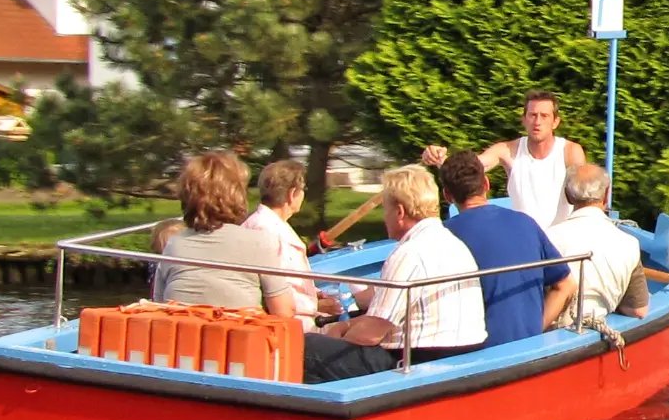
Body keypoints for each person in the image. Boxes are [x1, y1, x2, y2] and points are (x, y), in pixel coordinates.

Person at [302, 165, 486, 382]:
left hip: (415, 360)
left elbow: (371, 334)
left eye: (385, 210)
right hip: (460, 352)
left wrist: (339, 337)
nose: (384, 218)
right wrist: (346, 326)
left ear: (399, 212)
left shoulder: (409, 253)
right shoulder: (454, 244)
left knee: (306, 347)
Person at [437, 151, 577, 346]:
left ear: (447, 195)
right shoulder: (525, 223)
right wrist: (535, 329)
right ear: (486, 183)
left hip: (477, 354)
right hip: (531, 349)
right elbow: (566, 284)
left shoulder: (441, 236)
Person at [151, 152, 296, 317]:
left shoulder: (174, 244)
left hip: (185, 337)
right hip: (240, 338)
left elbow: (160, 306)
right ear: (237, 194)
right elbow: (284, 311)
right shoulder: (259, 241)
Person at [421, 90, 586, 230]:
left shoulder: (570, 151)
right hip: (525, 241)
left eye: (544, 116)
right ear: (524, 120)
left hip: (563, 242)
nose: (537, 122)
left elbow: (585, 195)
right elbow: (471, 168)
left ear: (555, 122)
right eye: (533, 115)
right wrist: (440, 159)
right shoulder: (507, 150)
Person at [545, 163, 649, 327]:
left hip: (552, 332)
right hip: (599, 328)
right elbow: (638, 310)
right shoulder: (630, 244)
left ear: (567, 195)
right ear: (607, 195)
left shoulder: (547, 238)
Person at [242, 158, 339, 331]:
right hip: (291, 325)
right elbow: (273, 291)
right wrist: (317, 305)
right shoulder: (268, 230)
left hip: (296, 317)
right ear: (292, 193)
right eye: (303, 190)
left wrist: (315, 296)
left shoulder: (263, 223)